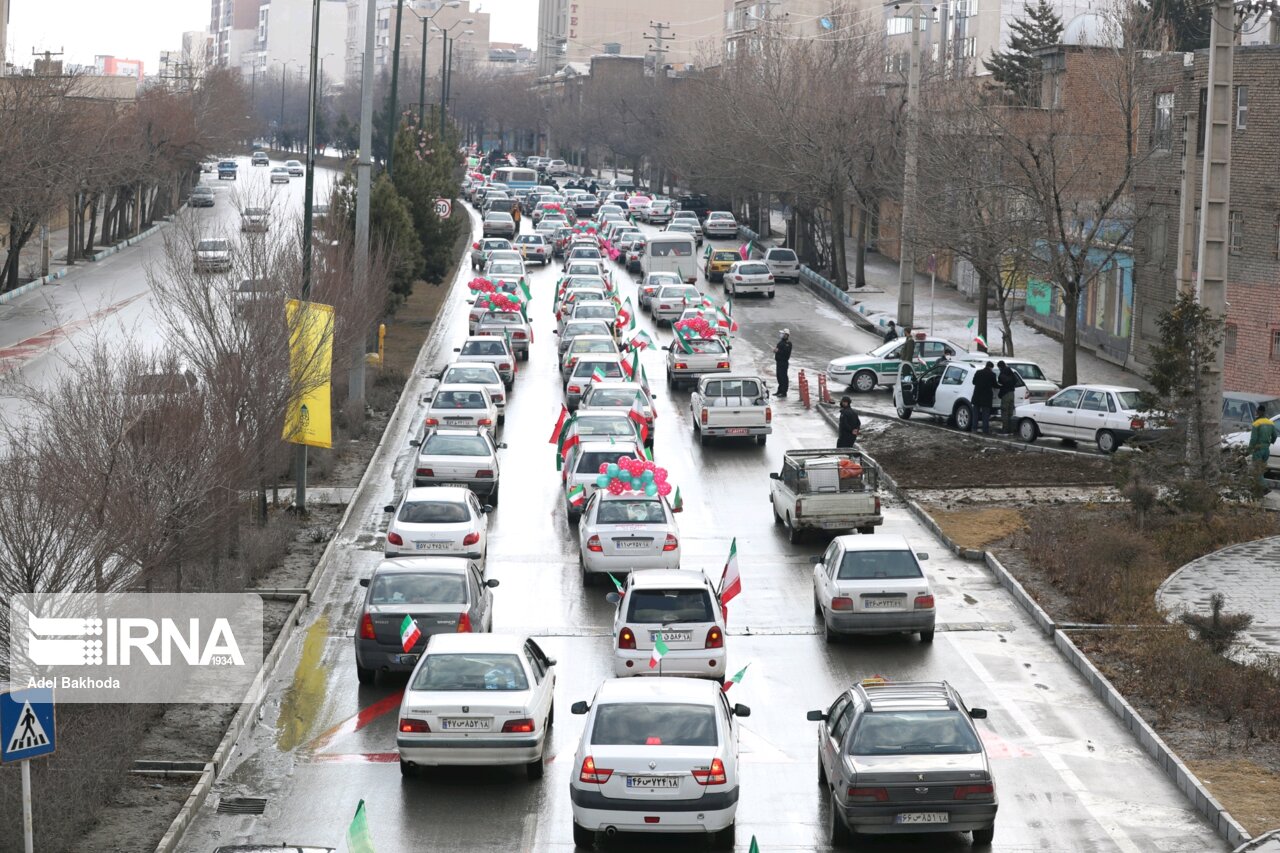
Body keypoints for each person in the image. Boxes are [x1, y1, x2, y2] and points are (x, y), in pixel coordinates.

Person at [1247, 404, 1278, 487]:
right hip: (1266, 450)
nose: (1256, 412)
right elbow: (1274, 436)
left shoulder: (1256, 423)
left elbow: (1253, 439)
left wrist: (1249, 450)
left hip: (1258, 450)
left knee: (1257, 470)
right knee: (1261, 470)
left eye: (1257, 411)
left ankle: (1264, 487)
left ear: (1260, 412)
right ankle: (1258, 489)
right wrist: (1270, 442)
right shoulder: (1270, 423)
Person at [971, 361, 998, 434]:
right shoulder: (992, 374)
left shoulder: (978, 372)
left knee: (975, 413)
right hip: (986, 397)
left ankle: (974, 429)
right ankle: (985, 430)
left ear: (986, 366)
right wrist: (1001, 386)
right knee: (985, 414)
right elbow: (995, 385)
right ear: (991, 367)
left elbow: (973, 382)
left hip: (977, 395)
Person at [997, 361, 1021, 434]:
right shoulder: (1010, 372)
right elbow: (1016, 380)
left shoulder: (1002, 374)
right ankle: (1011, 428)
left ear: (1000, 367)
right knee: (1010, 412)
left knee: (1004, 411)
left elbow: (1000, 382)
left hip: (1005, 394)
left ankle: (1005, 429)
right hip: (1012, 393)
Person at [774, 329, 792, 397]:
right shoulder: (781, 342)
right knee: (779, 377)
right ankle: (779, 391)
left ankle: (784, 392)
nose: (781, 335)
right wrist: (775, 351)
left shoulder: (788, 343)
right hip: (778, 362)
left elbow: (785, 353)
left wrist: (778, 351)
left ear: (786, 335)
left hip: (783, 362)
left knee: (783, 377)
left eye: (783, 334)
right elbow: (778, 349)